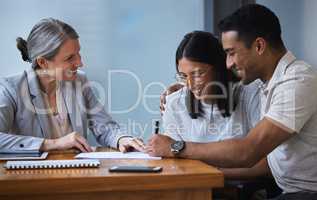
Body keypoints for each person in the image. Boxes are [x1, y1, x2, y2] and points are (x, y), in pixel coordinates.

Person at [146, 4, 317, 199]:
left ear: (259, 46)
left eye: (231, 53)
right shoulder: (269, 83)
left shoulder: (296, 81)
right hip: (286, 191)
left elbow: (249, 151)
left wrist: (176, 147)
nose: (228, 63)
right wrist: (183, 87)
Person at [0, 18, 144, 153]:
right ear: (43, 62)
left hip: (75, 173)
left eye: (78, 53)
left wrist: (121, 139)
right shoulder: (11, 89)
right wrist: (54, 144)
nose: (80, 63)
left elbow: (104, 127)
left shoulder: (79, 81)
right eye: (70, 58)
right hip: (31, 176)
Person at [162, 30, 261, 143]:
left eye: (198, 74)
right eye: (183, 76)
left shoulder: (250, 95)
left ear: (218, 68)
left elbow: (264, 154)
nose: (190, 85)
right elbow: (172, 155)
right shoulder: (174, 103)